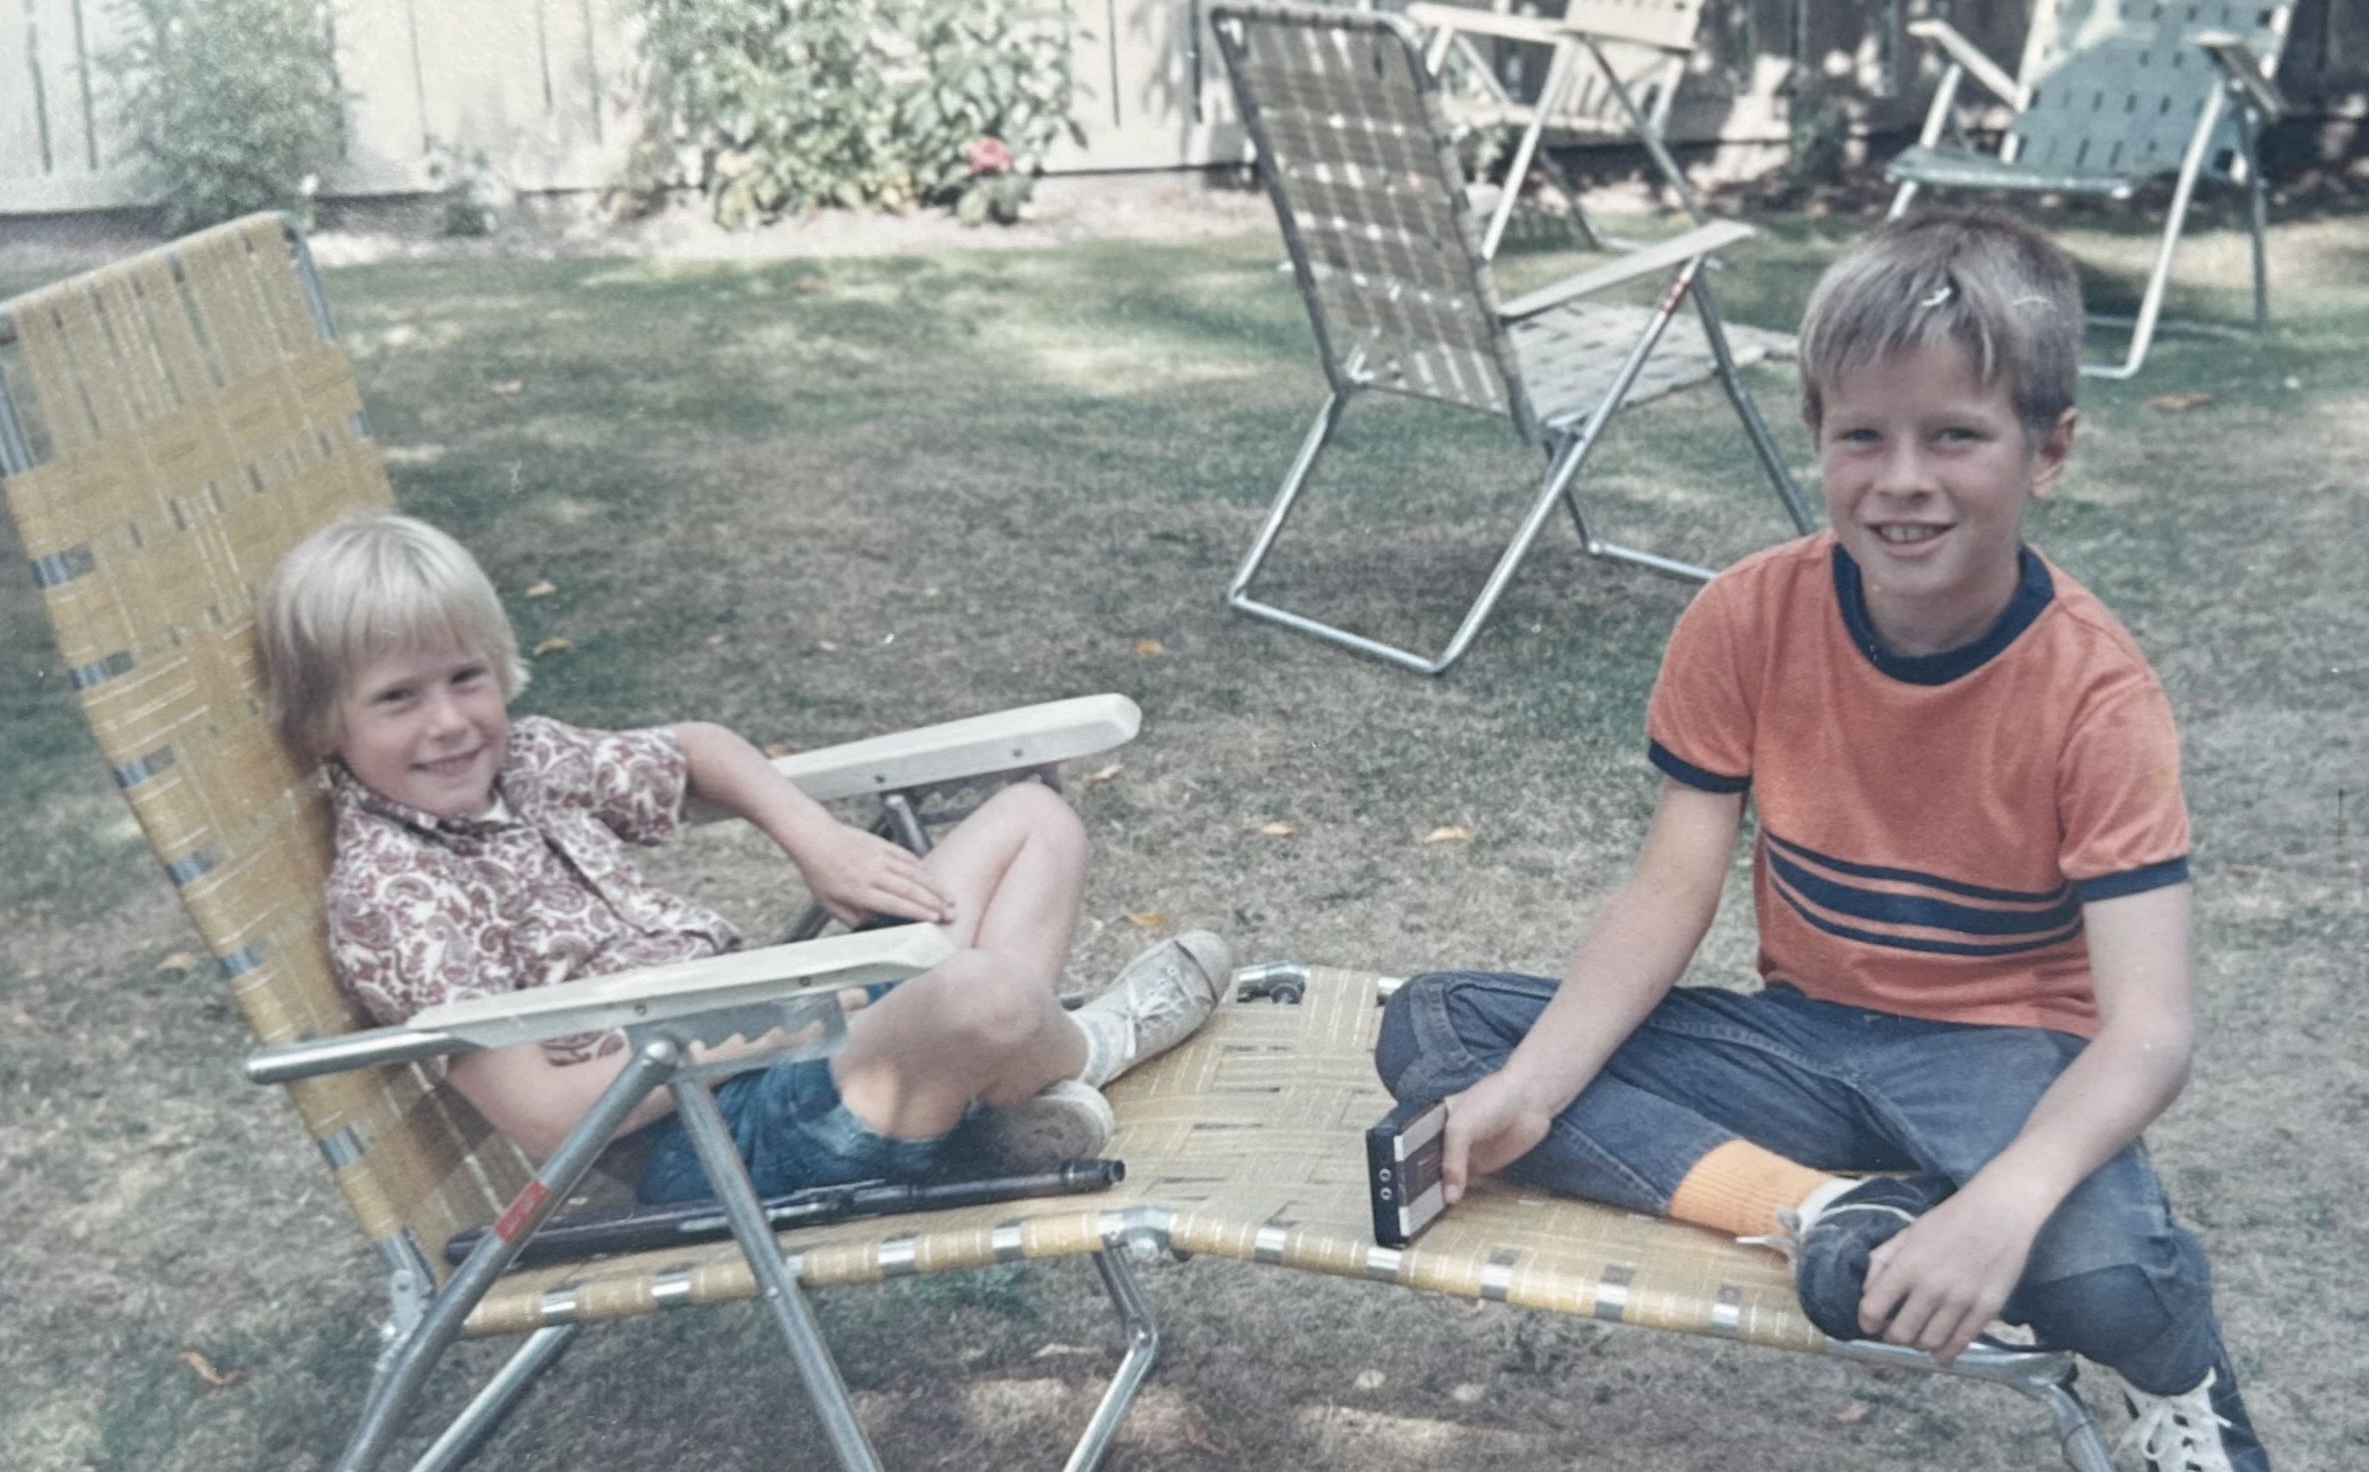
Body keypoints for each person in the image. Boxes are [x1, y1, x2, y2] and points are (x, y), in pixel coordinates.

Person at [1372, 211, 2266, 1472]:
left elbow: (2151, 1028)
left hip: (2006, 1064)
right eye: (1863, 435)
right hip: (1804, 1045)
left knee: (2109, 1280)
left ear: (2049, 449)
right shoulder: (1745, 616)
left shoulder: (2096, 693)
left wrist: (2008, 1201)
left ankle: (2183, 1384)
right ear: (1818, 437)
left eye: (1954, 434)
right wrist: (1534, 1087)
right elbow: (1670, 889)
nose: (1902, 479)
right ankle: (1832, 1210)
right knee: (1441, 1033)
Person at [256, 512, 1230, 1206]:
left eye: (466, 677)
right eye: (398, 698)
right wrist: (787, 1016)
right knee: (982, 992)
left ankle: (1002, 1097)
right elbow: (550, 1120)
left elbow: (696, 748)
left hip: (786, 1039)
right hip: (711, 1139)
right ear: (321, 722)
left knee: (1031, 819)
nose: (449, 722)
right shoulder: (398, 899)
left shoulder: (530, 762)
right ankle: (1091, 1044)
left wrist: (817, 840)